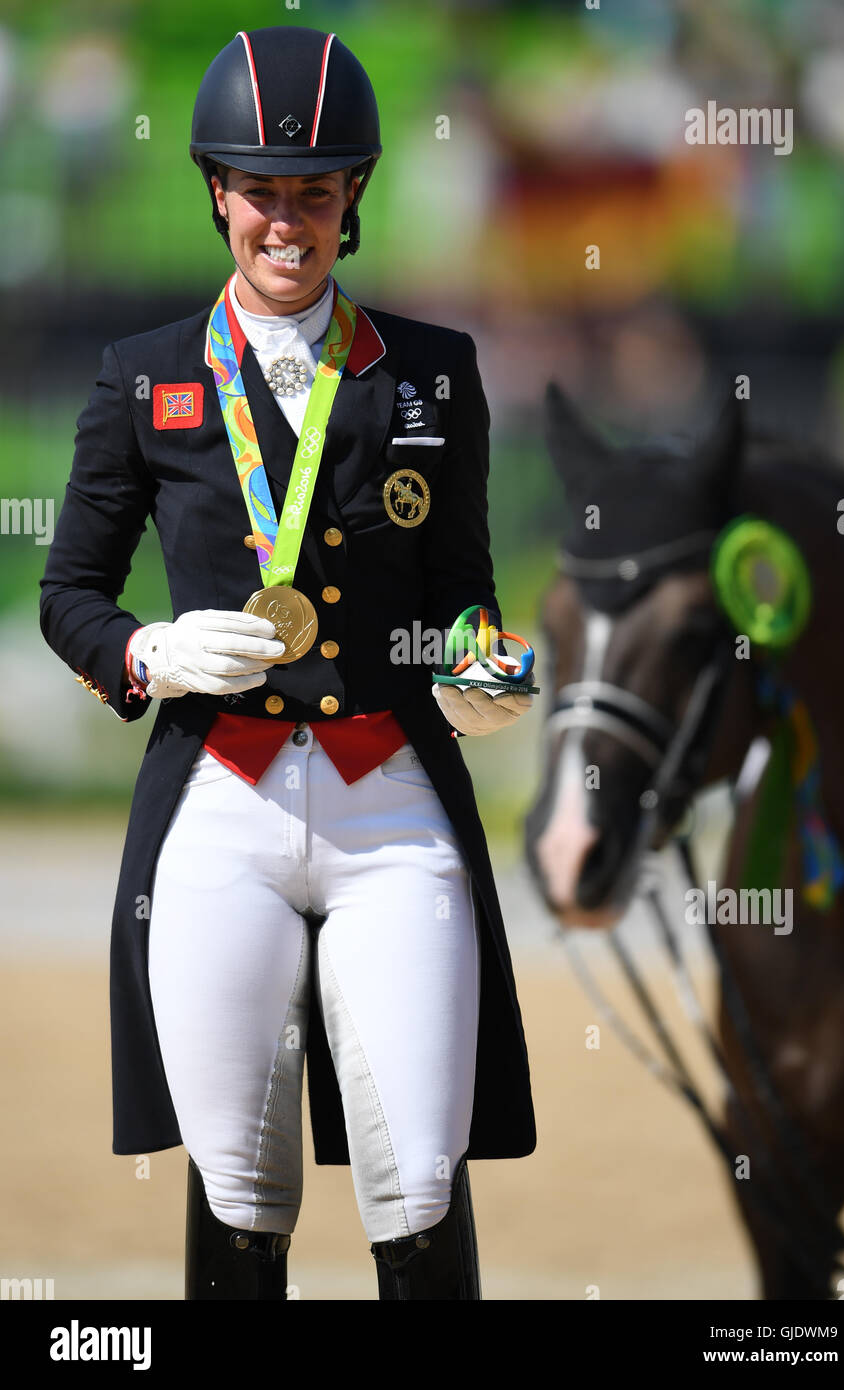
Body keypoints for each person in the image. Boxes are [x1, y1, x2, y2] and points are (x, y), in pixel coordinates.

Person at [39, 24, 536, 1301]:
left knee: (420, 1170)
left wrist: (479, 665)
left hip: (391, 800)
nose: (286, 218)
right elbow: (71, 597)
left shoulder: (434, 371)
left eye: (313, 190)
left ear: (353, 195)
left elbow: (463, 589)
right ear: (217, 189)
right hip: (220, 799)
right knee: (238, 1182)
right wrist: (149, 650)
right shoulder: (140, 377)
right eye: (261, 187)